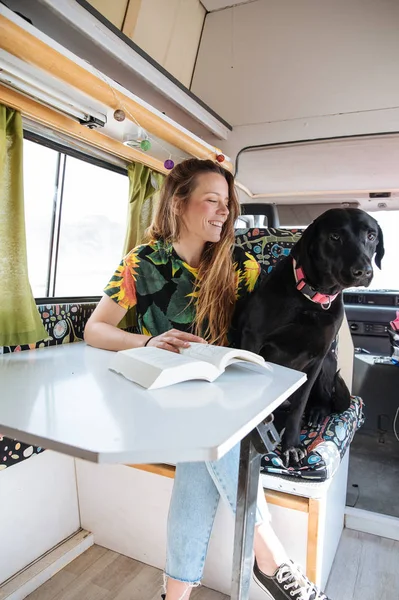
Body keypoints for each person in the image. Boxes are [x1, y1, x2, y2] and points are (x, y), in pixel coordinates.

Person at [84, 158, 330, 600]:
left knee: (208, 450)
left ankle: (174, 595)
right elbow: (95, 329)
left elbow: (263, 332)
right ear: (179, 203)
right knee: (214, 440)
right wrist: (145, 341)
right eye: (212, 201)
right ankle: (272, 559)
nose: (224, 213)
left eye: (228, 204)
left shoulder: (241, 266)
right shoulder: (141, 263)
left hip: (217, 403)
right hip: (157, 401)